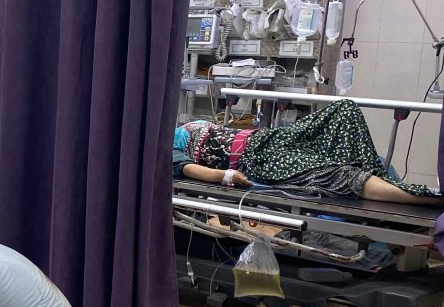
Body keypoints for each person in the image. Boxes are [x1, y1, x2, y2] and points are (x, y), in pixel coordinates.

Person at [173, 100, 443, 205]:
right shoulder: (162, 147)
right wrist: (225, 175)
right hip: (258, 160)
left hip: (269, 138)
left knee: (344, 110)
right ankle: (430, 200)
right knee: (338, 174)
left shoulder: (179, 126)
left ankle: (376, 180)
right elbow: (186, 168)